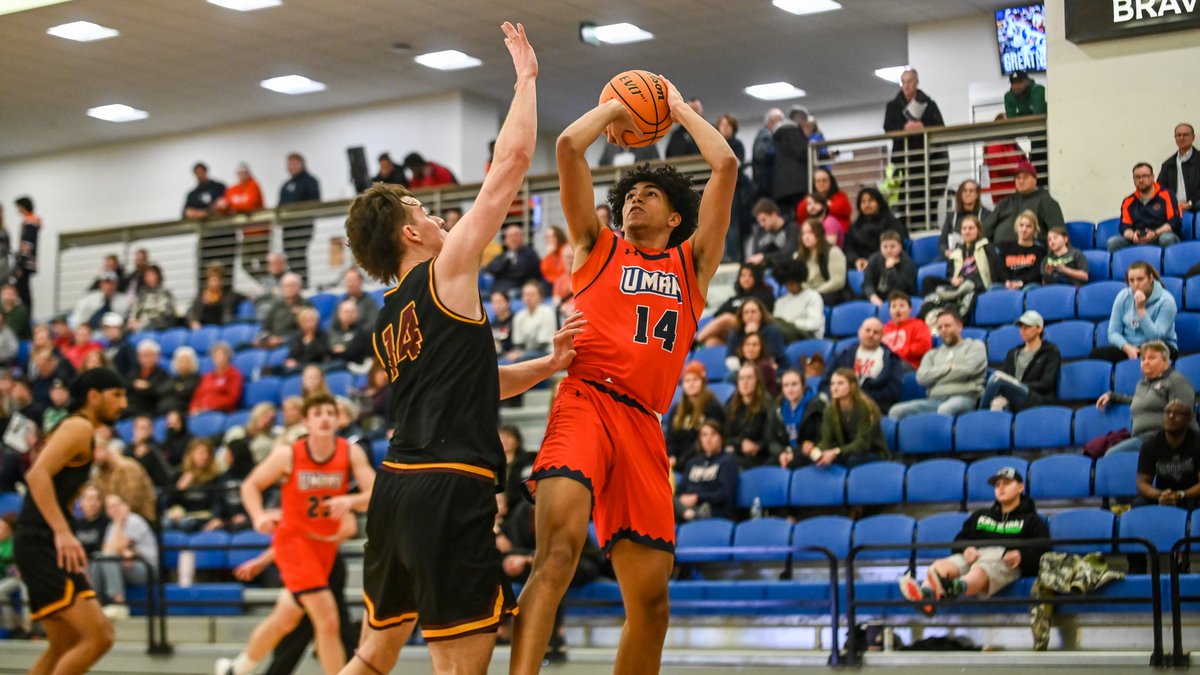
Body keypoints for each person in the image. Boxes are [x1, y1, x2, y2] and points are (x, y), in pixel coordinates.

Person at [340, 24, 580, 675]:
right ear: (412, 232)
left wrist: (550, 364)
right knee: (459, 668)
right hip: (450, 488)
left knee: (371, 654)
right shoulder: (446, 274)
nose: (444, 218)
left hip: (396, 488)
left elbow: (475, 382)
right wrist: (526, 80)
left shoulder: (387, 317)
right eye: (429, 210)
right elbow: (509, 164)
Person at [512, 68, 737, 674]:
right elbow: (566, 147)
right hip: (585, 401)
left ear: (674, 220)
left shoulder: (693, 265)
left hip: (643, 425)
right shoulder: (596, 244)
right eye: (629, 194)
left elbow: (725, 168)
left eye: (650, 195)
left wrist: (675, 107)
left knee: (652, 604)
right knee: (556, 555)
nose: (635, 197)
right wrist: (614, 109)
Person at [215, 394, 376, 675]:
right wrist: (259, 516)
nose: (325, 418)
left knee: (285, 620)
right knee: (328, 621)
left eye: (330, 412)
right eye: (318, 413)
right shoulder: (288, 455)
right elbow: (250, 486)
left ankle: (237, 668)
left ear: (339, 419)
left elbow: (375, 494)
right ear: (306, 422)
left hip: (324, 548)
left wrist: (350, 501)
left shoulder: (350, 453)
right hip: (294, 544)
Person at [13, 368, 126, 674]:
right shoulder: (78, 427)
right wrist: (63, 531)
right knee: (99, 636)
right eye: (117, 395)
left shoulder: (78, 429)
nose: (123, 403)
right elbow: (36, 475)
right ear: (93, 396)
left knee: (66, 644)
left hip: (43, 539)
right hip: (41, 539)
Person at [898, 467, 1048, 616]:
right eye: (997, 485)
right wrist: (966, 549)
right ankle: (927, 597)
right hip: (975, 554)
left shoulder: (1033, 521)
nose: (1001, 487)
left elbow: (1042, 552)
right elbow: (959, 541)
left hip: (1003, 558)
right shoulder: (980, 515)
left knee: (982, 568)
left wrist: (1022, 556)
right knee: (939, 566)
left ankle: (954, 587)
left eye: (1007, 483)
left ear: (1021, 487)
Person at [1096, 340, 1197, 456]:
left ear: (1166, 361)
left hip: (1164, 439)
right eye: (1143, 359)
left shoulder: (1176, 382)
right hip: (1142, 438)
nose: (1146, 362)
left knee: (1113, 455)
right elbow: (1141, 400)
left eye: (1152, 358)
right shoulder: (1143, 384)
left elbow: (1183, 415)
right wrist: (1113, 396)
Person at [889, 309, 987, 420]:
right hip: (934, 401)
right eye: (940, 327)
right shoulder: (932, 354)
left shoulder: (975, 346)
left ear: (959, 326)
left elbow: (970, 369)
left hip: (965, 397)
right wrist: (949, 368)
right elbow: (921, 378)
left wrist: (935, 376)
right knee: (896, 411)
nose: (943, 330)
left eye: (947, 326)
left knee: (945, 410)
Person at [882, 69, 947, 228]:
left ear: (916, 83)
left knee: (927, 201)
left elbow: (940, 128)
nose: (906, 86)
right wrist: (904, 128)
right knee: (904, 204)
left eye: (909, 82)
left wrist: (923, 127)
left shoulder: (929, 104)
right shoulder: (893, 107)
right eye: (903, 82)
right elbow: (888, 128)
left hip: (927, 162)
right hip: (903, 164)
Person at [1090, 261, 1178, 363]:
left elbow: (1156, 337)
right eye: (1131, 280)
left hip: (1160, 346)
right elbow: (1113, 332)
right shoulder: (1123, 296)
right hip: (1130, 346)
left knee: (1150, 355)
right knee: (1097, 355)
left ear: (1150, 278)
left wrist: (1140, 310)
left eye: (1140, 279)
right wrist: (1127, 348)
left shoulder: (1166, 301)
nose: (1136, 284)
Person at [90, 493, 157, 620]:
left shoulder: (134, 521)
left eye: (117, 505)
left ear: (126, 506)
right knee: (98, 559)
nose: (114, 510)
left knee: (109, 558)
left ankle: (118, 602)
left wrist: (119, 524)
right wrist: (122, 553)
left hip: (147, 567)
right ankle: (95, 602)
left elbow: (115, 547)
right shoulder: (112, 526)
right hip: (125, 565)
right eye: (110, 507)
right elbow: (106, 550)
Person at [979, 311, 1062, 412]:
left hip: (1036, 397)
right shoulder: (1013, 353)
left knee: (995, 378)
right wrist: (1012, 385)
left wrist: (1017, 384)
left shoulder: (1051, 352)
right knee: (997, 404)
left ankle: (980, 414)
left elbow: (1047, 383)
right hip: (1012, 396)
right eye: (1021, 327)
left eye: (1027, 327)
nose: (1023, 330)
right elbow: (1005, 377)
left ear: (1039, 328)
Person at [920, 215, 998, 321]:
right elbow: (950, 274)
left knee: (968, 285)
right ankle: (929, 311)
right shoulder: (956, 252)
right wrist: (953, 279)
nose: (967, 232)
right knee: (927, 280)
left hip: (977, 283)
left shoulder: (986, 247)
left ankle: (957, 318)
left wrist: (965, 279)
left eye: (971, 228)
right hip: (958, 284)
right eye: (964, 228)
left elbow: (993, 270)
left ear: (978, 231)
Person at [807, 368, 889, 468]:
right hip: (846, 452)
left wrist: (836, 452)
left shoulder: (864, 408)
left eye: (840, 383)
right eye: (832, 384)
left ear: (852, 386)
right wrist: (815, 451)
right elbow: (827, 440)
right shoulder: (830, 410)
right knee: (813, 461)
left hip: (872, 452)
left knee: (850, 461)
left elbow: (863, 444)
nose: (835, 388)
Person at [822, 317, 904, 413]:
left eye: (876, 332)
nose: (871, 335)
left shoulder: (892, 359)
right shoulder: (843, 355)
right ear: (860, 332)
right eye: (867, 330)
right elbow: (824, 383)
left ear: (882, 336)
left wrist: (860, 398)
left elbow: (894, 390)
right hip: (841, 403)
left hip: (874, 405)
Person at [1136, 401, 1200, 510]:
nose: (1171, 416)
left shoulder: (1197, 442)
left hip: (1191, 496)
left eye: (1177, 413)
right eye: (1167, 412)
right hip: (1163, 495)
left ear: (1189, 419)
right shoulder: (1151, 444)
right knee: (1139, 504)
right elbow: (1142, 482)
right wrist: (1160, 495)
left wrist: (1180, 494)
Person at [983, 160, 1063, 245]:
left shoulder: (1047, 202)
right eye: (1018, 178)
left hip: (1033, 253)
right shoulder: (1005, 202)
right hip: (1000, 252)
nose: (1021, 181)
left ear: (1035, 180)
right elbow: (986, 229)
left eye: (1025, 177)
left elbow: (1058, 233)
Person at [694, 263, 776, 346]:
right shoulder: (735, 298)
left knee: (727, 318)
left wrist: (735, 315)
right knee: (711, 341)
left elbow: (765, 315)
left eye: (750, 276)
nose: (746, 279)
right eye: (743, 276)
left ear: (757, 278)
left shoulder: (765, 295)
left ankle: (695, 342)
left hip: (756, 329)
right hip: (736, 334)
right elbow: (718, 314)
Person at [1108, 162, 1182, 252]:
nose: (1141, 180)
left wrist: (1155, 233)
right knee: (1113, 242)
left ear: (1152, 177)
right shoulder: (1128, 201)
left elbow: (1175, 222)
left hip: (1159, 236)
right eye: (1137, 177)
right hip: (1137, 239)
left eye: (1145, 176)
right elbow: (1124, 226)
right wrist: (1133, 235)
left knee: (1167, 239)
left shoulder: (1167, 195)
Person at [665, 361, 726, 468]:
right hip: (677, 462)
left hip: (701, 460)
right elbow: (671, 438)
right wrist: (671, 455)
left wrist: (681, 461)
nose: (691, 383)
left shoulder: (712, 407)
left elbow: (709, 440)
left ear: (703, 382)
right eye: (687, 380)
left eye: (695, 379)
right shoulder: (676, 409)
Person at [675, 420, 738, 522]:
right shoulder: (692, 463)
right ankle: (689, 514)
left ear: (721, 438)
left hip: (713, 509)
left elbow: (724, 494)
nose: (708, 439)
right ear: (700, 440)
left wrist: (698, 497)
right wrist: (684, 500)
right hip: (688, 507)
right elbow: (679, 492)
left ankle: (691, 515)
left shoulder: (727, 461)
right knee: (669, 498)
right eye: (704, 435)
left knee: (705, 508)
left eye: (713, 434)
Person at [278, 152, 322, 284]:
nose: (291, 166)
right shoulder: (286, 185)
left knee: (298, 253)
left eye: (294, 163)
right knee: (289, 255)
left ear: (302, 164)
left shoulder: (310, 181)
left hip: (303, 225)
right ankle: (293, 283)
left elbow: (315, 201)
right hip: (288, 227)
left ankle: (303, 284)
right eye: (289, 164)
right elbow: (280, 204)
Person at [845, 187, 908, 272]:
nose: (867, 205)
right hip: (861, 267)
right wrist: (856, 260)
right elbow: (849, 249)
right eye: (863, 202)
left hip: (888, 265)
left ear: (879, 203)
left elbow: (897, 246)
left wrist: (874, 263)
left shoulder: (892, 223)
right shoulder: (855, 227)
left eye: (870, 200)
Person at [725, 363, 776, 470]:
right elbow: (725, 434)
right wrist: (740, 443)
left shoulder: (767, 404)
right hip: (736, 452)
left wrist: (757, 446)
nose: (745, 382)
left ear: (757, 381)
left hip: (760, 455)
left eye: (749, 378)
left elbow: (771, 436)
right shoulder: (731, 404)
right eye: (741, 378)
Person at [766, 107, 809, 217]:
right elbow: (801, 152)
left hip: (781, 188)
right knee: (801, 216)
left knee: (788, 219)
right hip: (797, 184)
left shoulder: (778, 135)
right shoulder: (793, 131)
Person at [797, 218, 849, 306]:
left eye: (810, 232)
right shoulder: (800, 255)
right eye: (803, 233)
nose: (806, 237)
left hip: (829, 294)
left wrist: (815, 292)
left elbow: (838, 282)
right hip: (808, 293)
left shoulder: (833, 252)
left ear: (819, 234)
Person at [772, 259, 825, 342]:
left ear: (800, 281)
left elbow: (816, 324)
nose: (789, 287)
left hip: (807, 336)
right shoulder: (780, 302)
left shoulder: (812, 296)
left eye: (792, 283)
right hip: (784, 336)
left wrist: (792, 324)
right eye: (787, 284)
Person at [484, 224, 542, 298]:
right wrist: (506, 265)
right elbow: (490, 268)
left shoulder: (530, 253)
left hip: (518, 290)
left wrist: (502, 270)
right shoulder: (503, 255)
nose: (513, 239)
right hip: (498, 290)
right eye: (510, 236)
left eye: (516, 235)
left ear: (522, 237)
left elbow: (521, 272)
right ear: (506, 240)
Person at [505, 280, 557, 363]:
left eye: (532, 294)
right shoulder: (519, 316)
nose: (528, 298)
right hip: (526, 353)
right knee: (502, 361)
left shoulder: (547, 312)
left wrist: (522, 354)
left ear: (540, 297)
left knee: (519, 360)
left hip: (545, 353)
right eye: (526, 295)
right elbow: (519, 344)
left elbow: (543, 344)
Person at [257, 272, 312, 349]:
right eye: (286, 286)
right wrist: (263, 337)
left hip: (294, 344)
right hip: (272, 341)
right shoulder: (277, 305)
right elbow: (266, 325)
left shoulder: (306, 305)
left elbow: (307, 330)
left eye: (292, 285)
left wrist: (284, 339)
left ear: (300, 287)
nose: (289, 288)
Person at [862, 231, 917, 306]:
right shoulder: (874, 259)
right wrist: (872, 297)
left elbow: (900, 287)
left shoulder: (907, 263)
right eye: (885, 247)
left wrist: (890, 269)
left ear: (900, 247)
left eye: (892, 246)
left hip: (899, 299)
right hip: (877, 297)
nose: (889, 250)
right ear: (880, 247)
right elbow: (867, 283)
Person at [996, 210, 1046, 290]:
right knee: (993, 288)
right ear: (1017, 227)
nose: (1024, 229)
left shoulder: (1040, 251)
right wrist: (1007, 281)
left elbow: (1036, 273)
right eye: (1021, 225)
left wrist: (1020, 283)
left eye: (1028, 226)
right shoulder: (1005, 247)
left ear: (1035, 230)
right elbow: (1000, 269)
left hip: (1028, 285)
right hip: (1007, 283)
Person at [939, 180, 991, 257]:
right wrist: (946, 252)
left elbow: (990, 239)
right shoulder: (952, 216)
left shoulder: (986, 215)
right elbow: (942, 241)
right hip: (954, 255)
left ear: (977, 195)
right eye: (965, 191)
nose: (968, 193)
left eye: (971, 191)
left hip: (979, 256)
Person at [882, 291, 932, 370]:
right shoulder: (884, 328)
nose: (897, 309)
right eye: (894, 306)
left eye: (902, 306)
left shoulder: (919, 325)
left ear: (910, 309)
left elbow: (924, 346)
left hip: (909, 365)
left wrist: (899, 352)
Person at [190, 342, 244, 414]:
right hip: (202, 412)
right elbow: (197, 396)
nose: (217, 359)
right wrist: (194, 408)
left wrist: (211, 405)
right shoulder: (207, 376)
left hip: (222, 412)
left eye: (220, 356)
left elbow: (232, 398)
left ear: (227, 356)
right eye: (215, 356)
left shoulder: (234, 374)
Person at [744, 198, 799, 268]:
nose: (761, 224)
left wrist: (764, 257)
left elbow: (788, 253)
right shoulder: (760, 234)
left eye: (764, 220)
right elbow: (756, 255)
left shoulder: (792, 229)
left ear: (774, 215)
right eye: (759, 221)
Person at [1157, 122, 1197, 214]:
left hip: (1196, 204)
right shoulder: (1168, 164)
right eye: (1178, 135)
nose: (1182, 138)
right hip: (1173, 206)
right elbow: (1160, 188)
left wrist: (1190, 203)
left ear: (1193, 137)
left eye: (1185, 135)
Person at [187, 264, 240, 328]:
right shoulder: (201, 296)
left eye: (217, 280)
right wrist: (193, 321)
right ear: (208, 281)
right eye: (213, 280)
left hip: (221, 327)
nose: (215, 283)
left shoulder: (228, 295)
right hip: (202, 328)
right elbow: (192, 312)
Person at [128, 264, 177, 331]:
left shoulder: (165, 294)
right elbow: (135, 310)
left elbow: (163, 316)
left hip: (158, 328)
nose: (151, 278)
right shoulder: (142, 294)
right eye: (148, 276)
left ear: (158, 277)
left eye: (153, 275)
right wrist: (132, 321)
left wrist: (143, 323)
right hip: (139, 328)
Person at [12, 196, 40, 312]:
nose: (17, 210)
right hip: (26, 262)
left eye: (18, 207)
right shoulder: (30, 222)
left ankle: (26, 315)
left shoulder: (31, 223)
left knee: (22, 290)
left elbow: (27, 244)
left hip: (25, 263)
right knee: (22, 289)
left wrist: (20, 263)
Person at [810, 167, 852, 237]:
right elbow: (801, 212)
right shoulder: (810, 198)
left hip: (840, 234)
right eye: (818, 181)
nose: (821, 184)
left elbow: (842, 209)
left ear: (831, 182)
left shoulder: (840, 196)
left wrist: (819, 206)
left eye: (824, 180)